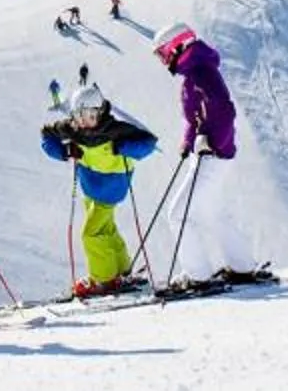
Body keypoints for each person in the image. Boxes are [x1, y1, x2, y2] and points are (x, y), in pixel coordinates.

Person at [156, 24, 270, 287]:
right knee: (210, 212)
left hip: (213, 154)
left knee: (178, 214)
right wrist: (189, 141)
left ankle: (197, 275)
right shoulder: (194, 73)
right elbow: (198, 117)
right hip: (209, 152)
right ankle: (242, 266)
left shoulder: (201, 73)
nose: (163, 61)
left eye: (163, 54)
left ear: (177, 47)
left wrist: (211, 142)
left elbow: (225, 111)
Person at [41, 84, 160, 296]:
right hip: (90, 186)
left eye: (90, 115)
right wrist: (65, 151)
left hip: (111, 187)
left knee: (91, 234)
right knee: (106, 229)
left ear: (99, 111)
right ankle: (122, 269)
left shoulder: (114, 129)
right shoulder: (74, 128)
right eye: (79, 116)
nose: (85, 121)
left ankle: (104, 279)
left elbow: (148, 143)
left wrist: (123, 147)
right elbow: (46, 137)